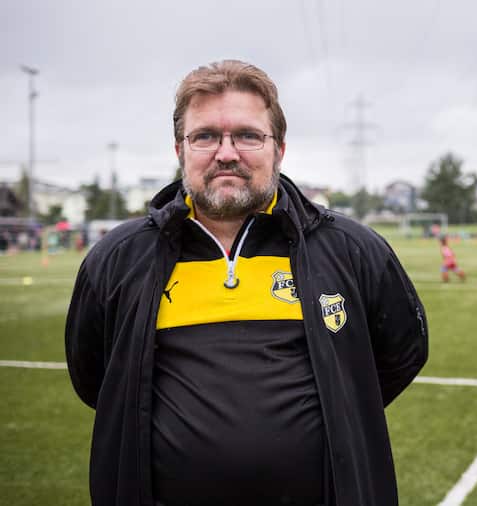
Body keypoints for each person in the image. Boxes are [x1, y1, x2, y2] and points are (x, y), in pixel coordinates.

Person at [65, 60, 428, 506]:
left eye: (248, 135)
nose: (227, 152)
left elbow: (400, 356)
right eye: (205, 136)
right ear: (180, 150)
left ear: (279, 149)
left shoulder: (352, 250)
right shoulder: (118, 259)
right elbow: (95, 379)